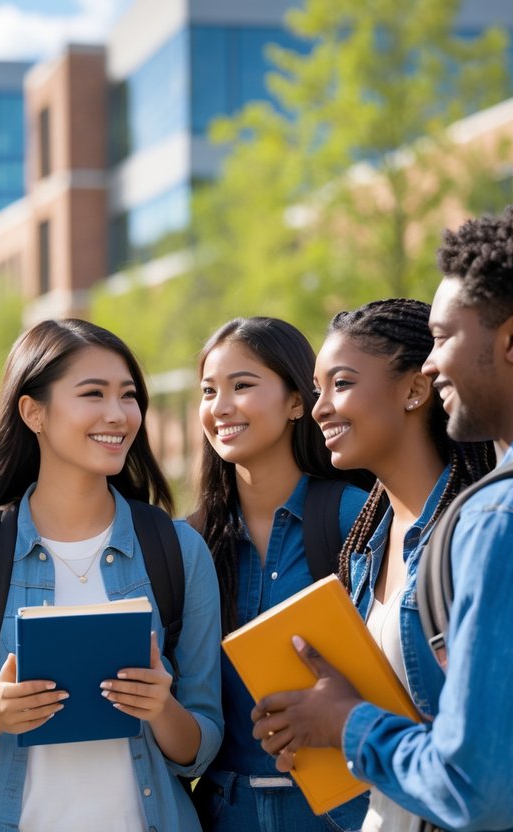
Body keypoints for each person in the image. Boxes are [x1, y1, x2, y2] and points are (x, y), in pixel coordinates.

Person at [254, 208, 513, 830]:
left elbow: (477, 789)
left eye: (442, 337)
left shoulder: (510, 518)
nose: (430, 366)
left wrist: (349, 722)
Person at [0, 318, 223, 831]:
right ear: (33, 411)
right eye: (93, 394)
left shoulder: (179, 551)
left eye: (128, 396)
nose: (118, 414)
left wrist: (160, 708)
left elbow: (201, 745)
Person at [252, 297, 494, 831]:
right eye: (317, 390)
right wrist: (321, 738)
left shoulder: (472, 542)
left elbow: (485, 761)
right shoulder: (362, 551)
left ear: (415, 389)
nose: (318, 408)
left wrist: (348, 722)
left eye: (340, 384)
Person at [190, 317, 370, 831]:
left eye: (242, 385)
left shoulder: (355, 519)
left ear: (297, 401)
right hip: (227, 812)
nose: (220, 407)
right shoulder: (188, 542)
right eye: (208, 391)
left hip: (342, 811)